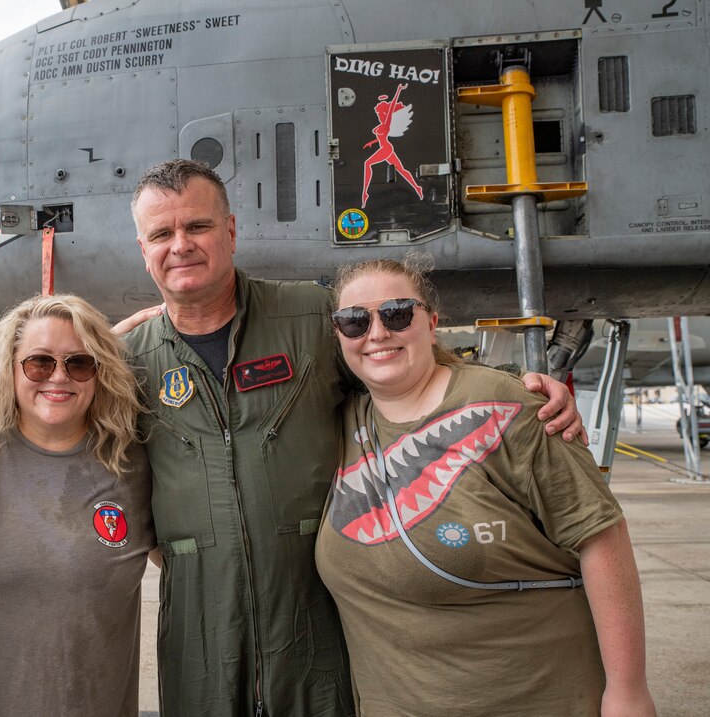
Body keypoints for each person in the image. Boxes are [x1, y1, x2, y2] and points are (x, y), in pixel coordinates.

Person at [122, 159, 585, 715]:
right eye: (161, 234)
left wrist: (515, 388)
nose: (181, 245)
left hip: (321, 610)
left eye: (197, 226)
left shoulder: (312, 315)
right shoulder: (128, 362)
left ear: (231, 231)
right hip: (199, 621)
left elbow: (406, 372)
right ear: (143, 248)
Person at [315, 258, 655, 716]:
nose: (376, 333)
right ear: (339, 335)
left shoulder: (507, 404)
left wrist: (628, 693)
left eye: (397, 313)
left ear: (431, 324)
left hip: (537, 698)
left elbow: (601, 536)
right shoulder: (338, 422)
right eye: (354, 321)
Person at [0, 294, 155, 717]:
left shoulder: (134, 462)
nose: (59, 377)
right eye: (39, 363)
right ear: (11, 367)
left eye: (80, 364)